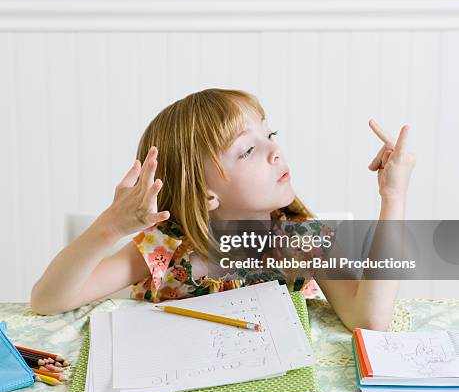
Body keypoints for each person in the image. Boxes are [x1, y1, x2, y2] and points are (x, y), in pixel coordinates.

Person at [30, 88, 416, 331]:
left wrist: (393, 196)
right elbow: (47, 300)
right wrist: (111, 227)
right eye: (248, 150)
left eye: (270, 135)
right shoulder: (164, 249)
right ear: (205, 194)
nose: (275, 151)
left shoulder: (306, 241)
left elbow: (370, 320)